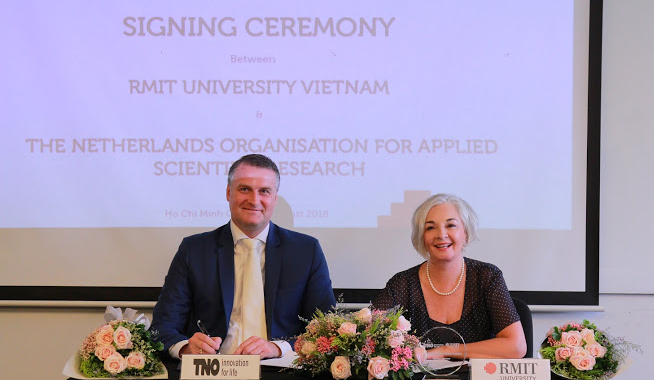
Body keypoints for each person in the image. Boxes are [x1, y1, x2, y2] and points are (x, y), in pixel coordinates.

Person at [151, 154, 336, 359]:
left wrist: (278, 348)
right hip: (212, 374)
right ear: (229, 193)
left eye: (264, 191)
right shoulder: (193, 250)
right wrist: (186, 348)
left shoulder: (306, 250)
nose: (254, 200)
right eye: (244, 189)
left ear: (275, 198)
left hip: (281, 374)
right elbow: (162, 328)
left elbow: (326, 331)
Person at [373, 193, 526, 359]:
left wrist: (446, 351)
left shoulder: (487, 277)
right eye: (430, 227)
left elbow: (516, 347)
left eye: (451, 225)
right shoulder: (402, 283)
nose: (441, 234)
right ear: (421, 237)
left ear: (466, 233)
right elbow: (366, 336)